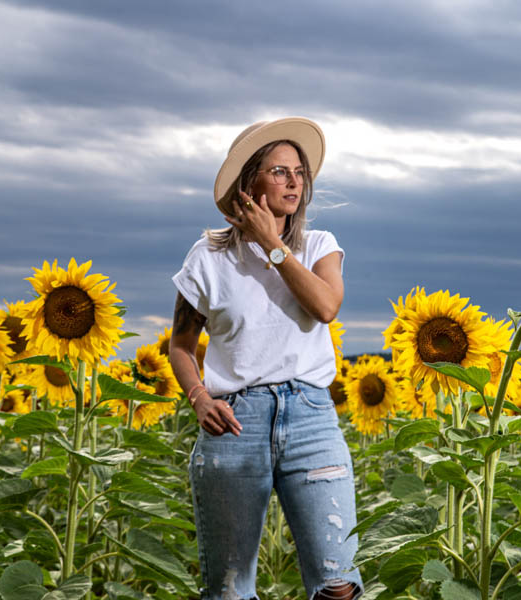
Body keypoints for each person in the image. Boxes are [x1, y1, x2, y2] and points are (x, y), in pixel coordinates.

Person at [169, 118, 363, 600]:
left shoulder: (319, 247)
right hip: (235, 420)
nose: (294, 181)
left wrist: (272, 246)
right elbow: (180, 344)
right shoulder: (208, 257)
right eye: (279, 171)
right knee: (232, 590)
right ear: (248, 183)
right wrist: (198, 398)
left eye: (299, 172)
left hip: (311, 420)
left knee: (338, 584)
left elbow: (325, 307)